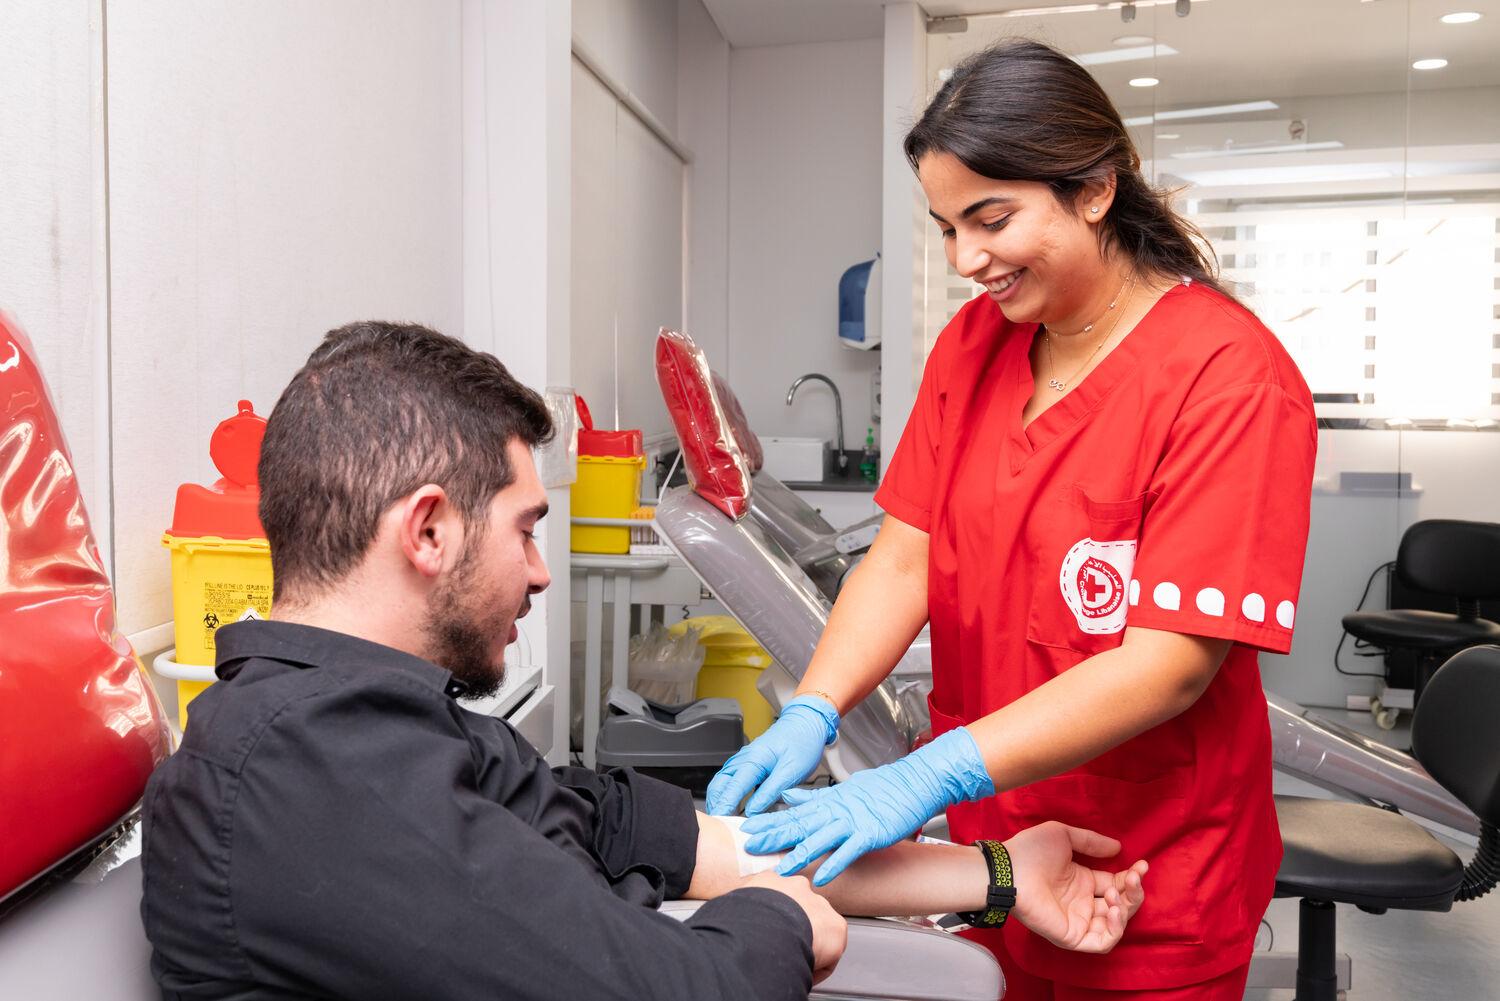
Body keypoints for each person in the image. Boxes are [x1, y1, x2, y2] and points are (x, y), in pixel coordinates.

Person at [140, 321, 1148, 1001]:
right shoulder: (310, 778)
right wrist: (783, 920)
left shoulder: (384, 726)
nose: (541, 572)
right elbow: (686, 988)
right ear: (430, 531)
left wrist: (1000, 873)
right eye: (526, 529)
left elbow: (649, 832)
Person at [706, 39, 1318, 1001]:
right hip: (996, 863)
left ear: (1096, 190)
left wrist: (929, 774)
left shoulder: (1227, 378)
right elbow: (904, 558)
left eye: (991, 220)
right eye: (948, 227)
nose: (965, 260)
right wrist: (816, 705)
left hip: (1146, 874)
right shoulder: (974, 345)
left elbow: (1170, 661)